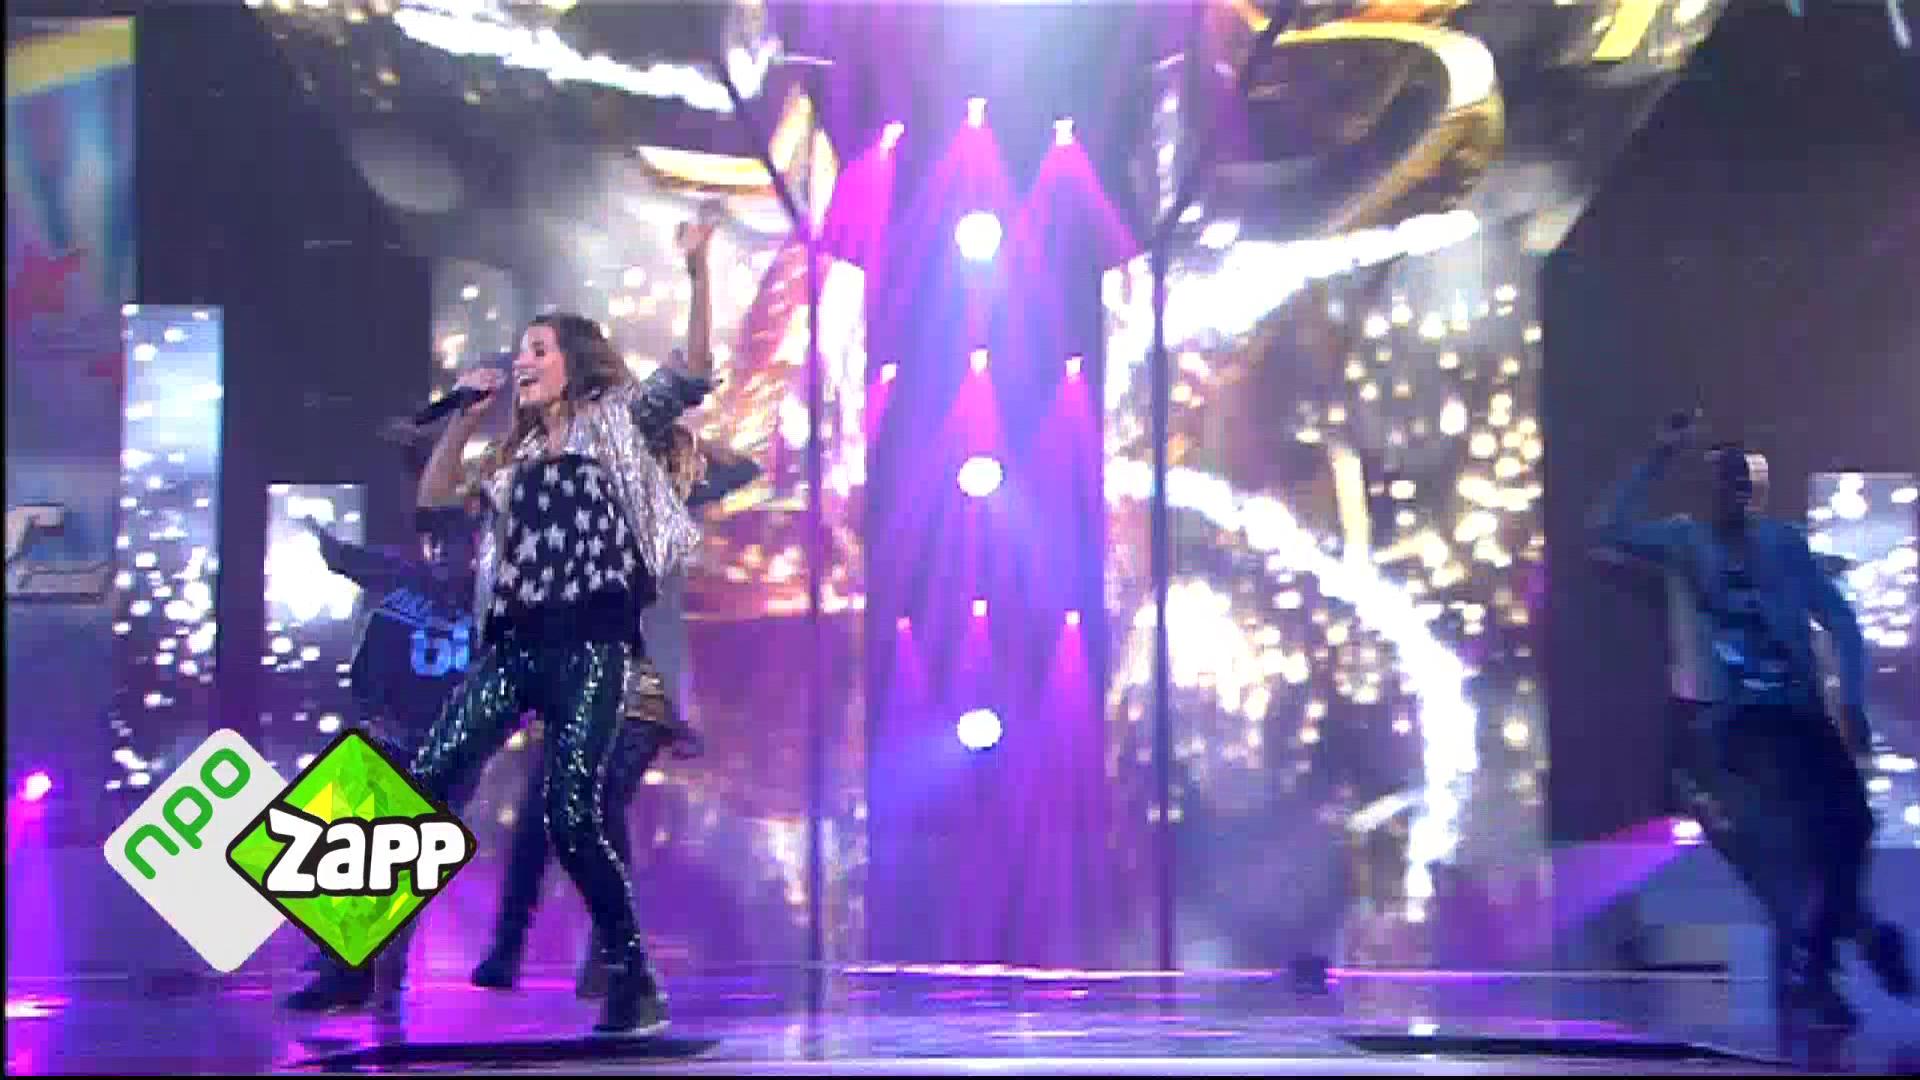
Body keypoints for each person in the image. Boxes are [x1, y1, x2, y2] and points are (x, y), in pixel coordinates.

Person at [463, 222, 762, 999]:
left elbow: (710, 418)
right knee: (549, 804)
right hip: (578, 670)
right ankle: (519, 944)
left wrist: (698, 272)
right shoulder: (564, 480)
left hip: (641, 683)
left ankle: (608, 953)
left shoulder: (650, 477)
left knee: (588, 802)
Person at [1588, 411, 1913, 1033]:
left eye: (1744, 480)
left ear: (1756, 490)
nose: (1734, 490)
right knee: (1786, 859)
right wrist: (1659, 455)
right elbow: (1607, 526)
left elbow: (1840, 620)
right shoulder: (1685, 542)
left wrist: (1852, 701)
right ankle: (1828, 965)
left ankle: (1845, 948)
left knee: (1853, 825)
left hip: (1800, 713)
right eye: (1724, 479)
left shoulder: (1784, 546)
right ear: (1708, 488)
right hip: (1742, 725)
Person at [279, 500, 487, 1011]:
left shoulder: (493, 603)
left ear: (475, 548)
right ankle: (349, 967)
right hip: (391, 739)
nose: (442, 552)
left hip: (448, 756)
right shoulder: (404, 577)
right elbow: (348, 560)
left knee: (401, 863)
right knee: (353, 848)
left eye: (454, 542)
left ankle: (365, 973)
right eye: (436, 542)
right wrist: (323, 538)